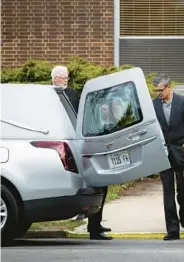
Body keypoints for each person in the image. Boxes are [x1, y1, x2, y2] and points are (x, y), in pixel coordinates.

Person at [51, 65, 112, 240]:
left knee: (100, 182)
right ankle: (91, 225)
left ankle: (95, 224)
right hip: (62, 148)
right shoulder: (46, 96)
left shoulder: (72, 94)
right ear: (54, 78)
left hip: (80, 144)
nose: (65, 80)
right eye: (62, 78)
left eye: (66, 77)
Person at [152, 73, 184, 240]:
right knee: (168, 191)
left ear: (169, 87)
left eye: (161, 90)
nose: (158, 93)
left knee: (183, 190)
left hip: (181, 152)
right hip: (163, 154)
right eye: (156, 90)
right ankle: (172, 229)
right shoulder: (153, 105)